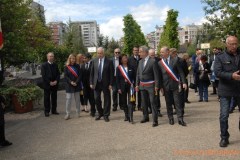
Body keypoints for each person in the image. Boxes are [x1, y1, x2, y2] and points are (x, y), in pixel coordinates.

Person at [214, 36, 240, 147]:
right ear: (226, 44)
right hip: (226, 90)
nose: (234, 46)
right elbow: (217, 72)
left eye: (236, 44)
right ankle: (224, 137)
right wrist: (231, 76)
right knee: (224, 116)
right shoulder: (220, 57)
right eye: (231, 44)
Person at [158, 47, 187, 126]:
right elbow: (159, 76)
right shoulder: (160, 63)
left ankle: (180, 119)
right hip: (166, 86)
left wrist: (184, 82)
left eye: (162, 52)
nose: (161, 54)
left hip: (175, 85)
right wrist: (160, 87)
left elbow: (181, 72)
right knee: (168, 103)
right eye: (160, 52)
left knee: (178, 102)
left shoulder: (175, 60)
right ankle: (170, 118)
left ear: (167, 52)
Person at [136, 46, 160, 127]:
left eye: (140, 52)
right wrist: (136, 84)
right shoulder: (140, 62)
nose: (139, 53)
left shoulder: (152, 61)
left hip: (151, 85)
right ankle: (145, 117)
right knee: (144, 102)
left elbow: (156, 75)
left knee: (153, 102)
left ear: (145, 52)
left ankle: (155, 120)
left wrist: (157, 85)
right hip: (142, 85)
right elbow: (138, 74)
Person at [90, 47, 114, 122]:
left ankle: (106, 115)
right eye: (98, 53)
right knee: (96, 99)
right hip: (96, 83)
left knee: (107, 99)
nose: (99, 55)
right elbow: (92, 73)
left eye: (100, 53)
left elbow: (111, 74)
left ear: (103, 53)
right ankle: (100, 113)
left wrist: (111, 84)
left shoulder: (109, 61)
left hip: (106, 84)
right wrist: (91, 82)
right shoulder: (94, 60)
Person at [116, 54, 135, 123]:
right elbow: (117, 79)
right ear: (121, 60)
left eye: (126, 58)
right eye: (124, 58)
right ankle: (126, 115)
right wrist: (118, 88)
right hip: (122, 87)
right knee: (124, 102)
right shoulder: (118, 68)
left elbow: (134, 77)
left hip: (130, 87)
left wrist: (134, 84)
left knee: (131, 102)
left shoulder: (131, 67)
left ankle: (131, 117)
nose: (125, 59)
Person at [41, 52, 60, 117]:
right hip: (47, 84)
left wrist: (56, 81)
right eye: (50, 56)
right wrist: (49, 82)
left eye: (52, 56)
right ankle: (47, 111)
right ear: (47, 57)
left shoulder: (55, 65)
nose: (51, 57)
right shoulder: (44, 65)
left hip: (55, 84)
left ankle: (54, 110)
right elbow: (44, 75)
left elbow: (58, 74)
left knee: (54, 98)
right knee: (47, 98)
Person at [64, 54, 82, 120]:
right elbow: (65, 76)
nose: (73, 60)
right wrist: (71, 82)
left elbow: (80, 75)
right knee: (68, 99)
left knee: (77, 100)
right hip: (69, 85)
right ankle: (68, 114)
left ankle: (78, 112)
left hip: (76, 85)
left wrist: (76, 82)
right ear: (69, 59)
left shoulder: (77, 66)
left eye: (74, 58)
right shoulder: (66, 66)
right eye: (71, 58)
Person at [149, 49, 163, 117]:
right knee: (150, 97)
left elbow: (161, 71)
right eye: (151, 55)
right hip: (149, 82)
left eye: (153, 55)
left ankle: (158, 110)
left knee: (157, 97)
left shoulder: (159, 60)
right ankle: (151, 109)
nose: (152, 56)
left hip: (157, 82)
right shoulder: (146, 61)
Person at [128, 46, 141, 111]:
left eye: (137, 50)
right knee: (132, 92)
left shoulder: (141, 58)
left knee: (140, 92)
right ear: (133, 51)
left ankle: (140, 106)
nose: (136, 51)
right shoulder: (129, 59)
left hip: (140, 78)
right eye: (135, 50)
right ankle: (133, 106)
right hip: (132, 79)